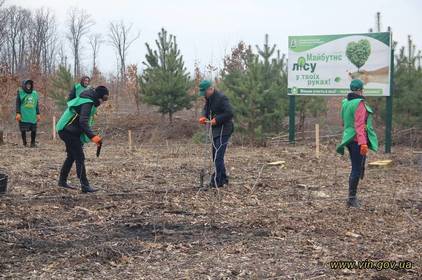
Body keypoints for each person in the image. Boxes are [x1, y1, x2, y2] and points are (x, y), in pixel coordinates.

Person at [56, 86, 109, 193]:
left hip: (69, 130)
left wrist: (89, 136)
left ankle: (62, 181)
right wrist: (93, 137)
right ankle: (85, 186)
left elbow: (83, 122)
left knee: (71, 156)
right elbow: (83, 122)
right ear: (99, 96)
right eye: (104, 98)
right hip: (67, 130)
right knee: (79, 157)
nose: (103, 102)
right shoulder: (87, 102)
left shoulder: (88, 100)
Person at [336, 79, 378, 208]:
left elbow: (343, 121)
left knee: (357, 167)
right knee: (356, 169)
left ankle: (352, 197)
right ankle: (352, 199)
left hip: (349, 138)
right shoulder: (359, 103)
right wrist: (363, 143)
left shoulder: (345, 102)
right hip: (357, 140)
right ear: (360, 90)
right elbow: (359, 125)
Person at [198, 80, 234, 189]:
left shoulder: (221, 98)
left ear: (210, 89)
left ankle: (216, 181)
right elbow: (206, 109)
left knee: (218, 156)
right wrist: (204, 117)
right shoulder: (208, 99)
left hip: (225, 129)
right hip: (216, 131)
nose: (204, 95)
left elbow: (229, 113)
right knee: (215, 157)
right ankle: (223, 178)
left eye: (205, 92)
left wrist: (217, 120)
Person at [15, 80, 40, 147]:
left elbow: (36, 104)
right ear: (24, 85)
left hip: (32, 115)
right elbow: (18, 103)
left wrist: (38, 113)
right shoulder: (21, 93)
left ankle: (33, 143)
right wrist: (18, 113)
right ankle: (24, 143)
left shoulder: (34, 93)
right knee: (23, 130)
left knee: (34, 130)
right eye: (27, 84)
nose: (28, 86)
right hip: (23, 115)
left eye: (29, 84)